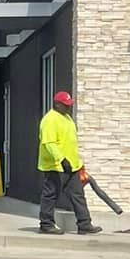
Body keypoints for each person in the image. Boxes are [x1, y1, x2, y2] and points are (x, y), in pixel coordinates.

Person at [37, 89, 99, 234]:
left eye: (69, 104)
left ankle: (84, 223)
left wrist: (78, 163)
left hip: (72, 166)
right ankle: (46, 224)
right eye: (65, 104)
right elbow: (49, 143)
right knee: (50, 195)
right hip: (55, 166)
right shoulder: (50, 120)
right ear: (56, 104)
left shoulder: (67, 119)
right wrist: (61, 159)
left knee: (77, 195)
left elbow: (71, 143)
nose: (68, 107)